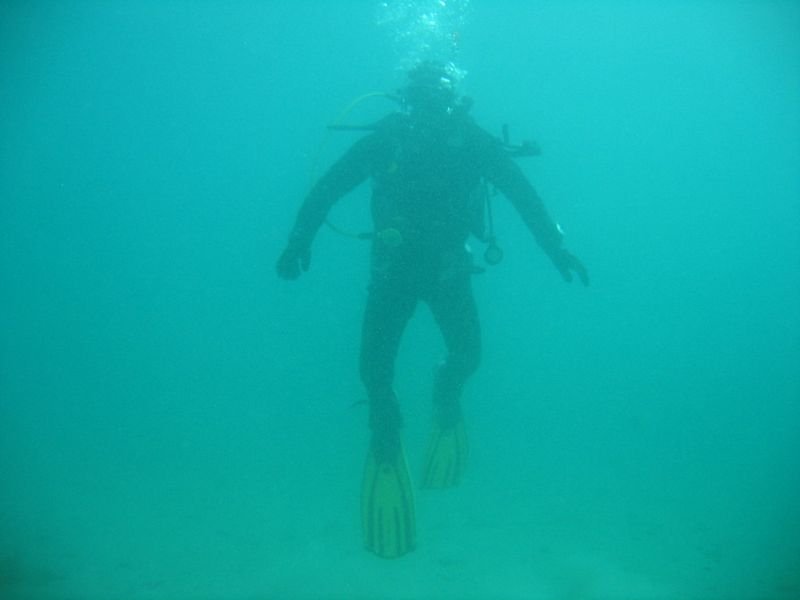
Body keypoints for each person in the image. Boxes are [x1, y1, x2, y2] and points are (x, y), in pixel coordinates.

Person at [276, 61, 588, 559]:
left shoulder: (471, 141)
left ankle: (445, 393)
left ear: (449, 100)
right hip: (395, 272)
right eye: (421, 99)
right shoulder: (390, 139)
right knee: (376, 371)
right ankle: (385, 426)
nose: (428, 109)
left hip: (445, 272)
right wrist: (298, 241)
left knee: (463, 357)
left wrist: (557, 250)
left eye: (435, 99)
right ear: (409, 100)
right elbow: (329, 189)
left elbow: (522, 194)